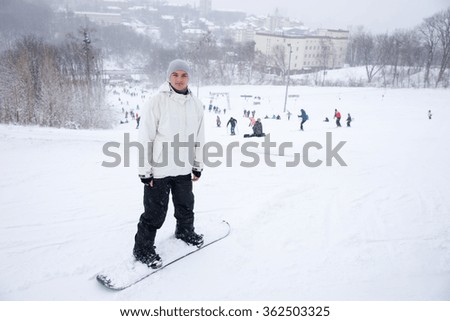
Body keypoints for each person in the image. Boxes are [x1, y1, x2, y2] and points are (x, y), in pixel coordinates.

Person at [133, 59, 205, 269]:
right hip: (159, 169)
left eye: (184, 75)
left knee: (186, 206)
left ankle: (185, 231)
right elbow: (144, 137)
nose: (180, 79)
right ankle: (143, 249)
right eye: (175, 75)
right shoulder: (156, 102)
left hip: (183, 167)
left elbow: (199, 137)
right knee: (154, 213)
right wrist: (144, 170)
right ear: (168, 77)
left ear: (189, 78)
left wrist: (197, 164)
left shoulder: (196, 104)